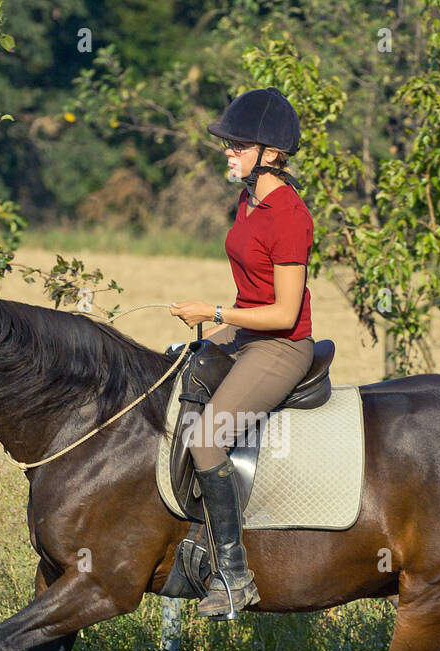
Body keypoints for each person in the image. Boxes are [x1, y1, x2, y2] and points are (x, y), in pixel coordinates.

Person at [169, 87, 315, 618]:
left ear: (270, 154)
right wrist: (220, 323)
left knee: (207, 441)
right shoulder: (248, 198)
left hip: (280, 345)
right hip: (245, 332)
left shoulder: (289, 216)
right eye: (228, 144)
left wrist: (214, 314)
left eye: (238, 145)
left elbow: (281, 313)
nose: (227, 152)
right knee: (168, 375)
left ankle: (234, 575)